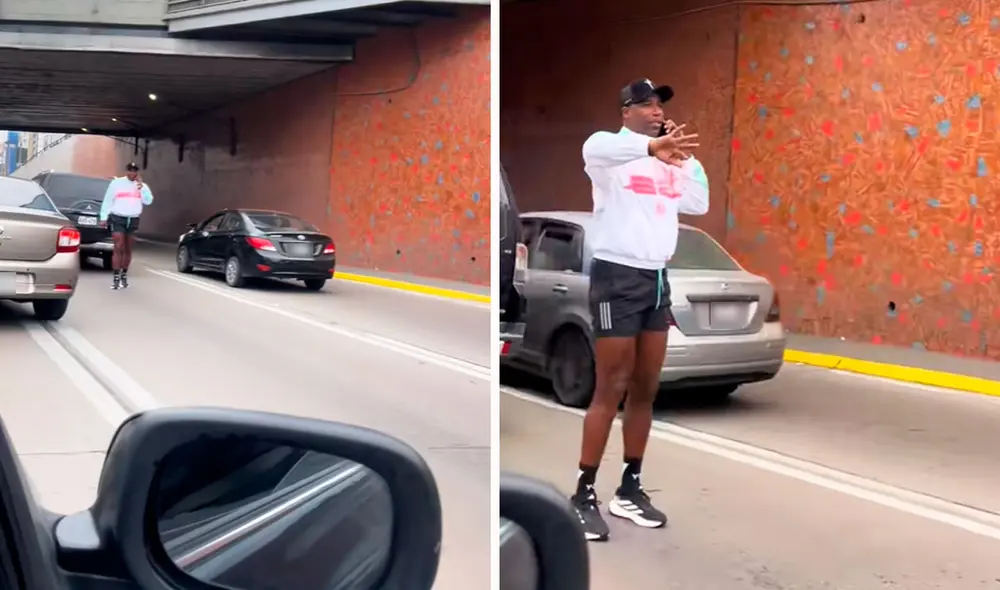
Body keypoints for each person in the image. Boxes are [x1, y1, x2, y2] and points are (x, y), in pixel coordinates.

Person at [572, 79, 709, 542]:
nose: (656, 111)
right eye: (646, 104)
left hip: (655, 279)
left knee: (646, 388)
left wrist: (682, 159)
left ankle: (629, 488)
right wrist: (651, 147)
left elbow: (699, 202)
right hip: (616, 277)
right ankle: (583, 492)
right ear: (627, 110)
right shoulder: (608, 150)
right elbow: (600, 151)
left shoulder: (666, 158)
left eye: (660, 105)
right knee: (609, 385)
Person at [99, 162, 153, 289]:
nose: (132, 173)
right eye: (130, 170)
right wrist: (103, 216)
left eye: (135, 171)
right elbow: (108, 200)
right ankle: (116, 276)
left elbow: (148, 201)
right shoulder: (116, 183)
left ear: (137, 172)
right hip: (118, 217)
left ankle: (124, 274)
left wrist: (141, 189)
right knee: (119, 246)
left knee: (128, 249)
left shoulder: (142, 186)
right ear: (126, 171)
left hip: (133, 218)